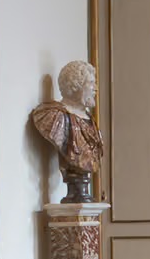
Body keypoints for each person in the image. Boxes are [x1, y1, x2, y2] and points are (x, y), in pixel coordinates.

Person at [29, 61, 107, 204]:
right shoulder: (55, 117)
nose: (95, 88)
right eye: (91, 83)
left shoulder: (90, 120)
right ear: (76, 85)